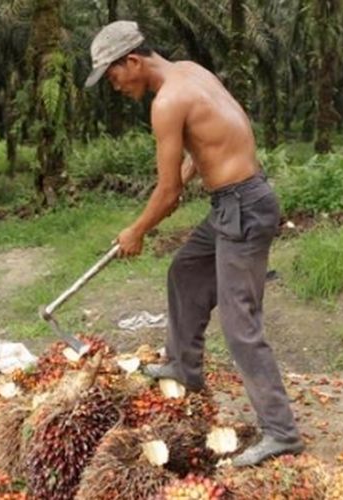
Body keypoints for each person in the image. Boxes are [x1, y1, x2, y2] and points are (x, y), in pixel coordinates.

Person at [85, 20, 303, 467]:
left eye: (113, 76)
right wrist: (194, 169)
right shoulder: (188, 70)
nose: (115, 86)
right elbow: (215, 137)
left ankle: (281, 432)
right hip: (237, 201)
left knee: (241, 324)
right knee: (186, 272)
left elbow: (167, 194)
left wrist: (136, 230)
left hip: (242, 205)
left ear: (132, 61)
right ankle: (184, 368)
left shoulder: (166, 102)